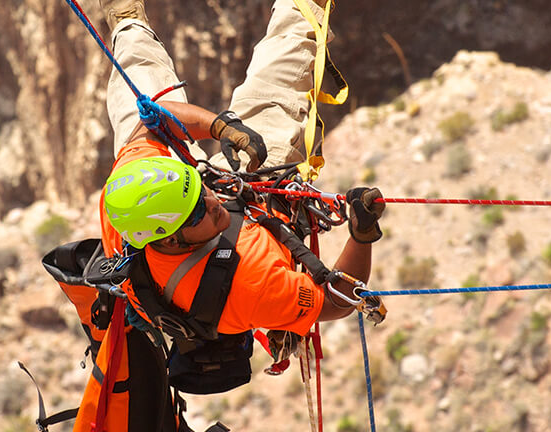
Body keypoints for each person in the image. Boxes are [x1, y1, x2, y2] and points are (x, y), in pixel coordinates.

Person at [61, 0, 386, 430]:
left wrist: (219, 127)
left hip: (190, 197)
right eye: (199, 208)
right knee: (281, 73)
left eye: (198, 194)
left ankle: (126, 21)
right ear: (171, 239)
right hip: (253, 222)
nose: (211, 202)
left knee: (138, 88)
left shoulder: (128, 196)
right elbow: (336, 302)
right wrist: (361, 236)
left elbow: (153, 121)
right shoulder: (254, 284)